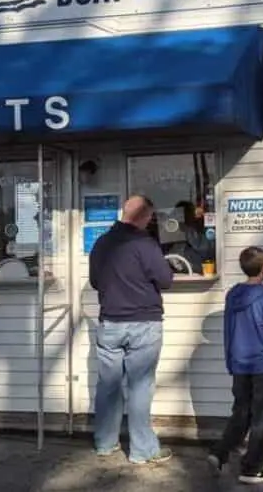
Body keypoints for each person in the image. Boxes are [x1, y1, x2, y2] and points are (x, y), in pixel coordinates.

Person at [89, 195, 175, 465]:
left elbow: (94, 281)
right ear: (143, 217)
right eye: (150, 217)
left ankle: (105, 443)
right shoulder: (144, 244)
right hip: (143, 323)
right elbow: (165, 279)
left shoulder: (102, 243)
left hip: (110, 322)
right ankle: (143, 450)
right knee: (139, 387)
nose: (151, 222)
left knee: (108, 386)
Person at [207, 247, 263, 485]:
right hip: (262, 364)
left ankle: (220, 452)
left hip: (239, 362)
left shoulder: (233, 295)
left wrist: (230, 360)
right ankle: (251, 468)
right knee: (261, 417)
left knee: (241, 411)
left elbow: (229, 331)